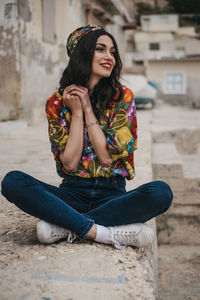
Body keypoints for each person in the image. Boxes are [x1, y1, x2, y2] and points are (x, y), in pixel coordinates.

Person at [1, 24, 173, 250]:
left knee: (161, 193)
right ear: (82, 54)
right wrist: (77, 113)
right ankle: (101, 232)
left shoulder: (122, 98)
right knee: (12, 181)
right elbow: (70, 164)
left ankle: (66, 226)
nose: (109, 56)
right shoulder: (57, 102)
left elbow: (107, 158)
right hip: (71, 193)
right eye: (100, 49)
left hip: (113, 194)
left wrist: (88, 109)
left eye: (112, 51)